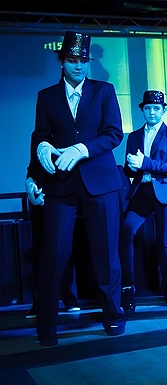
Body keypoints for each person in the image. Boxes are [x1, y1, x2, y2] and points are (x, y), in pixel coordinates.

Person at [31, 30, 125, 346]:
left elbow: (114, 134)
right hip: (61, 185)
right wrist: (41, 151)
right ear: (61, 62)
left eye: (83, 60)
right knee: (54, 255)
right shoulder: (47, 96)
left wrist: (81, 149)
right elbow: (40, 134)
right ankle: (46, 326)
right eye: (72, 60)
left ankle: (113, 316)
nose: (79, 66)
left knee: (106, 255)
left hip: (101, 184)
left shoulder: (104, 91)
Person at [120, 90, 167, 310]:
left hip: (166, 192)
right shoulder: (134, 136)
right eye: (148, 108)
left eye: (156, 108)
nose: (152, 112)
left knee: (163, 242)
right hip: (142, 190)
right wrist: (131, 166)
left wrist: (145, 162)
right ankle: (128, 288)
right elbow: (129, 168)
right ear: (142, 111)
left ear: (163, 110)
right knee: (126, 230)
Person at [24, 152, 80, 318]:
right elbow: (32, 168)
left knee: (63, 249)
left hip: (62, 198)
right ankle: (39, 303)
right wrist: (30, 183)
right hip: (40, 201)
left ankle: (70, 298)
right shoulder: (39, 143)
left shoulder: (67, 142)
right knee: (40, 251)